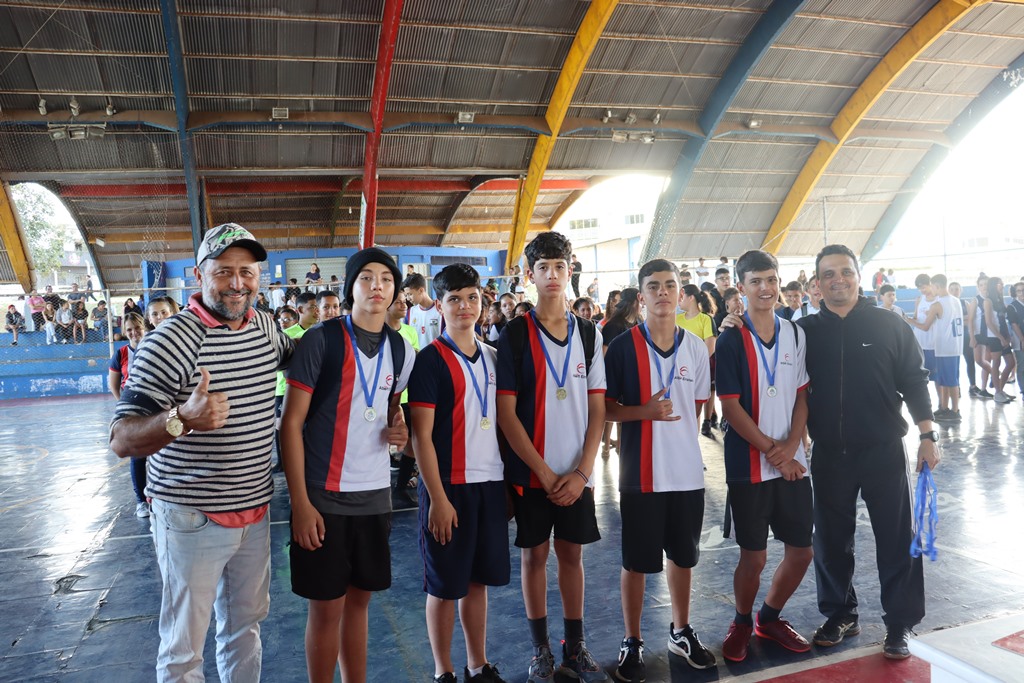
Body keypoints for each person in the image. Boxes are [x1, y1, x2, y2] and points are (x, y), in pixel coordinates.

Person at [719, 245, 938, 660]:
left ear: (858, 276)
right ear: (816, 284)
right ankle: (840, 613)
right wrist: (732, 319)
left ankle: (899, 624)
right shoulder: (805, 331)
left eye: (846, 272)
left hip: (883, 449)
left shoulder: (889, 324)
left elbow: (914, 379)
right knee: (831, 542)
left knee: (896, 539)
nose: (839, 280)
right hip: (830, 454)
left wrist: (928, 435)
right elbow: (789, 376)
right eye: (829, 274)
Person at [109, 223, 295, 681]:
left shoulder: (265, 326)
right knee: (184, 649)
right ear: (198, 275)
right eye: (224, 271)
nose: (237, 283)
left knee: (244, 629)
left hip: (254, 514)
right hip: (191, 518)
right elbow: (121, 438)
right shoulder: (170, 340)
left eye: (247, 272)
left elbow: (311, 366)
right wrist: (182, 418)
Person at [281, 247, 414, 683]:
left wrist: (399, 428)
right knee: (327, 608)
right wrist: (301, 504)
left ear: (395, 290)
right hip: (323, 498)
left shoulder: (402, 350)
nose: (377, 286)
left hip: (374, 497)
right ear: (350, 287)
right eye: (367, 277)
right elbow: (290, 424)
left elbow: (391, 408)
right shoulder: (321, 340)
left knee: (359, 603)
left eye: (386, 279)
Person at [496, 231, 608, 683]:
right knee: (534, 557)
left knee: (572, 556)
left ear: (571, 269)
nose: (552, 275)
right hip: (532, 474)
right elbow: (506, 413)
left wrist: (582, 471)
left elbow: (598, 409)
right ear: (530, 274)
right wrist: (543, 472)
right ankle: (541, 648)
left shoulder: (589, 334)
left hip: (577, 474)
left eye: (560, 266)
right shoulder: (514, 334)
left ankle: (575, 646)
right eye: (543, 267)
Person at [604, 259, 716, 682]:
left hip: (686, 472)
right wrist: (644, 412)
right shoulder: (622, 348)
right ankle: (632, 639)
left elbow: (698, 406)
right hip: (641, 473)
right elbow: (605, 408)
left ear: (681, 293)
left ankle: (680, 630)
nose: (663, 292)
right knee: (636, 562)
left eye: (670, 285)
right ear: (642, 297)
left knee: (683, 557)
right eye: (654, 286)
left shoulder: (696, 348)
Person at [408, 264, 510, 683]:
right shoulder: (429, 361)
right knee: (444, 585)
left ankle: (477, 665)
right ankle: (443, 671)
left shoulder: (495, 357)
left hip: (490, 485)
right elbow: (421, 437)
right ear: (440, 305)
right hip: (448, 487)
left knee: (478, 581)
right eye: (454, 299)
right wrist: (438, 498)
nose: (464, 306)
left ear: (482, 301)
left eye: (472, 297)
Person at [715, 250, 813, 663]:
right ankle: (741, 622)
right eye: (755, 281)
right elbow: (730, 406)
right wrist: (776, 453)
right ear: (741, 288)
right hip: (749, 464)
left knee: (802, 551)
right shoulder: (731, 338)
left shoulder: (795, 334)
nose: (765, 288)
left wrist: (791, 448)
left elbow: (802, 394)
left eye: (771, 279)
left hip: (793, 462)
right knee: (753, 556)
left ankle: (768, 618)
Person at [108, 312, 150, 518]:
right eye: (129, 330)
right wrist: (125, 406)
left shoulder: (155, 346)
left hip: (158, 407)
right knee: (138, 455)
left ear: (144, 327)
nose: (134, 333)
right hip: (134, 412)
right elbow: (114, 384)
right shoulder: (121, 354)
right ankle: (141, 501)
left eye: (137, 328)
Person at [909, 275, 963, 421]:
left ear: (937, 286)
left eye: (931, 286)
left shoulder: (937, 305)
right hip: (954, 345)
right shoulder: (955, 300)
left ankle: (955, 411)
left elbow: (925, 326)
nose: (931, 289)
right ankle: (944, 408)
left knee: (951, 381)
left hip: (945, 347)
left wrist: (907, 319)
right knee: (945, 380)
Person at [386, 293, 421, 510]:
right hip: (384, 397)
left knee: (411, 443)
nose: (403, 305)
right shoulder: (379, 332)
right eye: (397, 301)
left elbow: (415, 362)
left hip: (406, 397)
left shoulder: (410, 331)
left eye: (404, 301)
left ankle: (400, 487)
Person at [677, 284, 718, 437]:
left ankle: (693, 438)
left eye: (681, 297)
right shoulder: (676, 319)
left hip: (698, 370)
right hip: (678, 371)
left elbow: (709, 348)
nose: (678, 301)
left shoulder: (705, 319)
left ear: (691, 298)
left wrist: (693, 366)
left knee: (695, 405)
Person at [983, 276, 1016, 403]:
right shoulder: (988, 301)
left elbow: (1003, 320)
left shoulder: (1001, 300)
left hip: (1003, 335)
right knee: (996, 363)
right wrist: (1000, 337)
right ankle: (997, 393)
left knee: (1011, 363)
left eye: (1002, 283)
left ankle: (1000, 390)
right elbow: (989, 322)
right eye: (999, 284)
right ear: (993, 286)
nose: (1002, 286)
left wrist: (1007, 336)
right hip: (994, 336)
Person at [967, 275, 994, 399]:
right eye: (981, 285)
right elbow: (970, 320)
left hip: (991, 334)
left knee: (988, 361)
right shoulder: (976, 300)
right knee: (979, 361)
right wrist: (972, 337)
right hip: (979, 334)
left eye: (986, 284)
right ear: (978, 287)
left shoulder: (992, 299)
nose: (984, 287)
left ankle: (984, 389)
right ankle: (996, 373)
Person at [949, 282, 978, 396]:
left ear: (960, 291)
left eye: (956, 289)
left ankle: (973, 386)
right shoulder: (947, 304)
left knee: (970, 361)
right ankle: (956, 388)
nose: (954, 292)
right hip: (953, 337)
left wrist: (960, 320)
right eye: (952, 289)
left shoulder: (965, 303)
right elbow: (950, 322)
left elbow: (972, 320)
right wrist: (964, 319)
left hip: (965, 336)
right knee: (955, 364)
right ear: (948, 291)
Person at [404, 272, 444, 348]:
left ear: (421, 290)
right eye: (406, 295)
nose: (408, 299)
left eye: (410, 294)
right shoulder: (409, 313)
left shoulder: (441, 311)